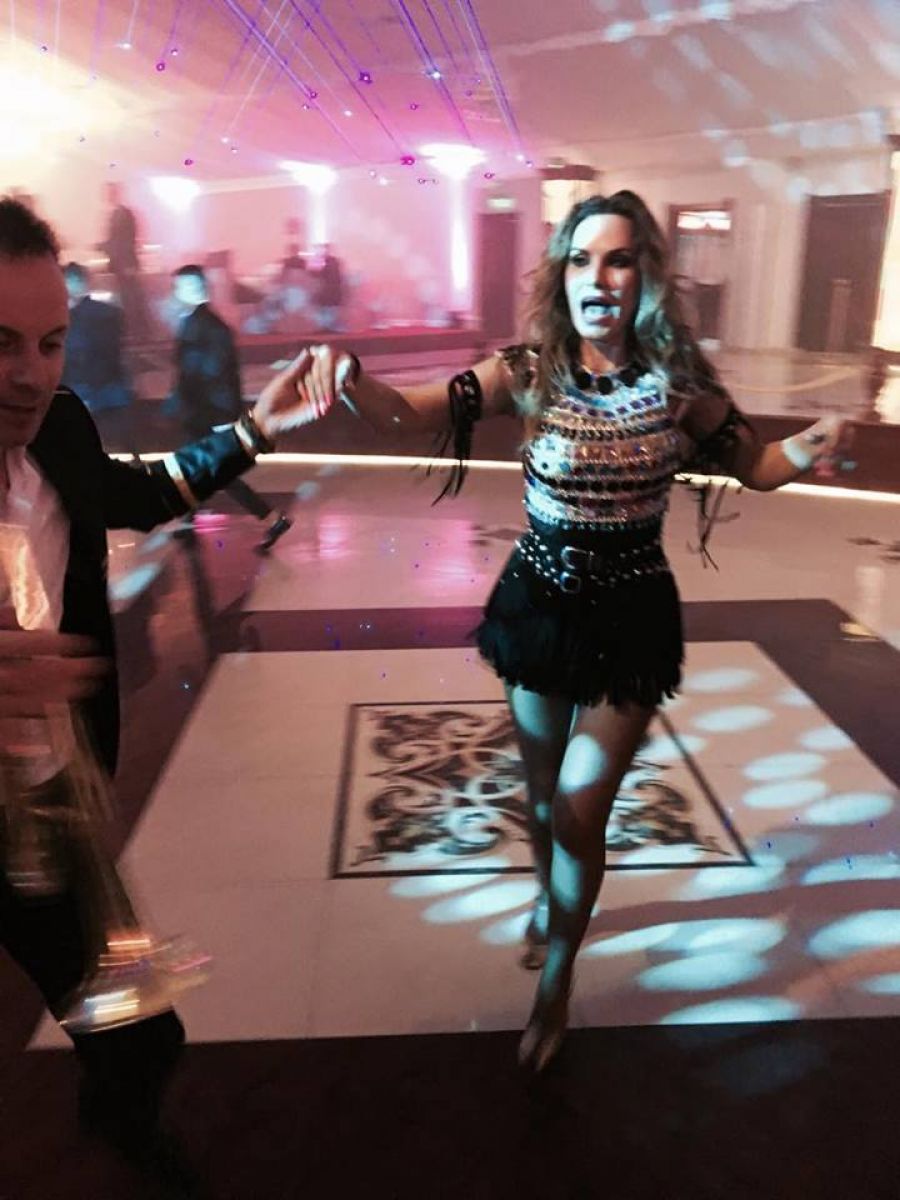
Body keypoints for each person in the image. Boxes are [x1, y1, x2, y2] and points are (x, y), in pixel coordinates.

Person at [288, 191, 851, 1072]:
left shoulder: (681, 385)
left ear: (645, 277)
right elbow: (407, 414)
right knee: (544, 799)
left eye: (619, 259)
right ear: (562, 275)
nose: (600, 277)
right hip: (539, 609)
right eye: (583, 259)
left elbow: (758, 465)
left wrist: (812, 445)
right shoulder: (530, 370)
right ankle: (548, 901)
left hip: (632, 618)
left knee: (583, 811)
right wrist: (348, 371)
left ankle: (557, 974)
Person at [0, 196, 328, 1178]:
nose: (31, 375)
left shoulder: (59, 431)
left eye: (50, 342)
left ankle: (120, 1120)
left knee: (143, 1032)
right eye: (0, 344)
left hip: (48, 811)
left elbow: (141, 492)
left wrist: (255, 430)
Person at [168, 264, 292, 552]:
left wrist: (224, 417)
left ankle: (272, 518)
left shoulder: (209, 327)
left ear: (194, 287)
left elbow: (220, 375)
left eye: (180, 286)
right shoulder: (200, 323)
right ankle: (188, 519)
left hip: (208, 413)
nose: (176, 292)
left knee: (218, 473)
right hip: (202, 412)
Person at [61, 262, 137, 455]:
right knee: (121, 443)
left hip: (84, 389)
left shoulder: (65, 318)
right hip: (111, 388)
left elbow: (79, 355)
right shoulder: (110, 312)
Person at [97, 181, 150, 341]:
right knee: (129, 297)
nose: (108, 196)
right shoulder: (118, 214)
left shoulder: (122, 214)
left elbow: (123, 241)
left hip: (125, 264)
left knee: (131, 297)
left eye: (110, 193)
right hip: (123, 264)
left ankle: (139, 330)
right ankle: (138, 330)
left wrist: (103, 246)